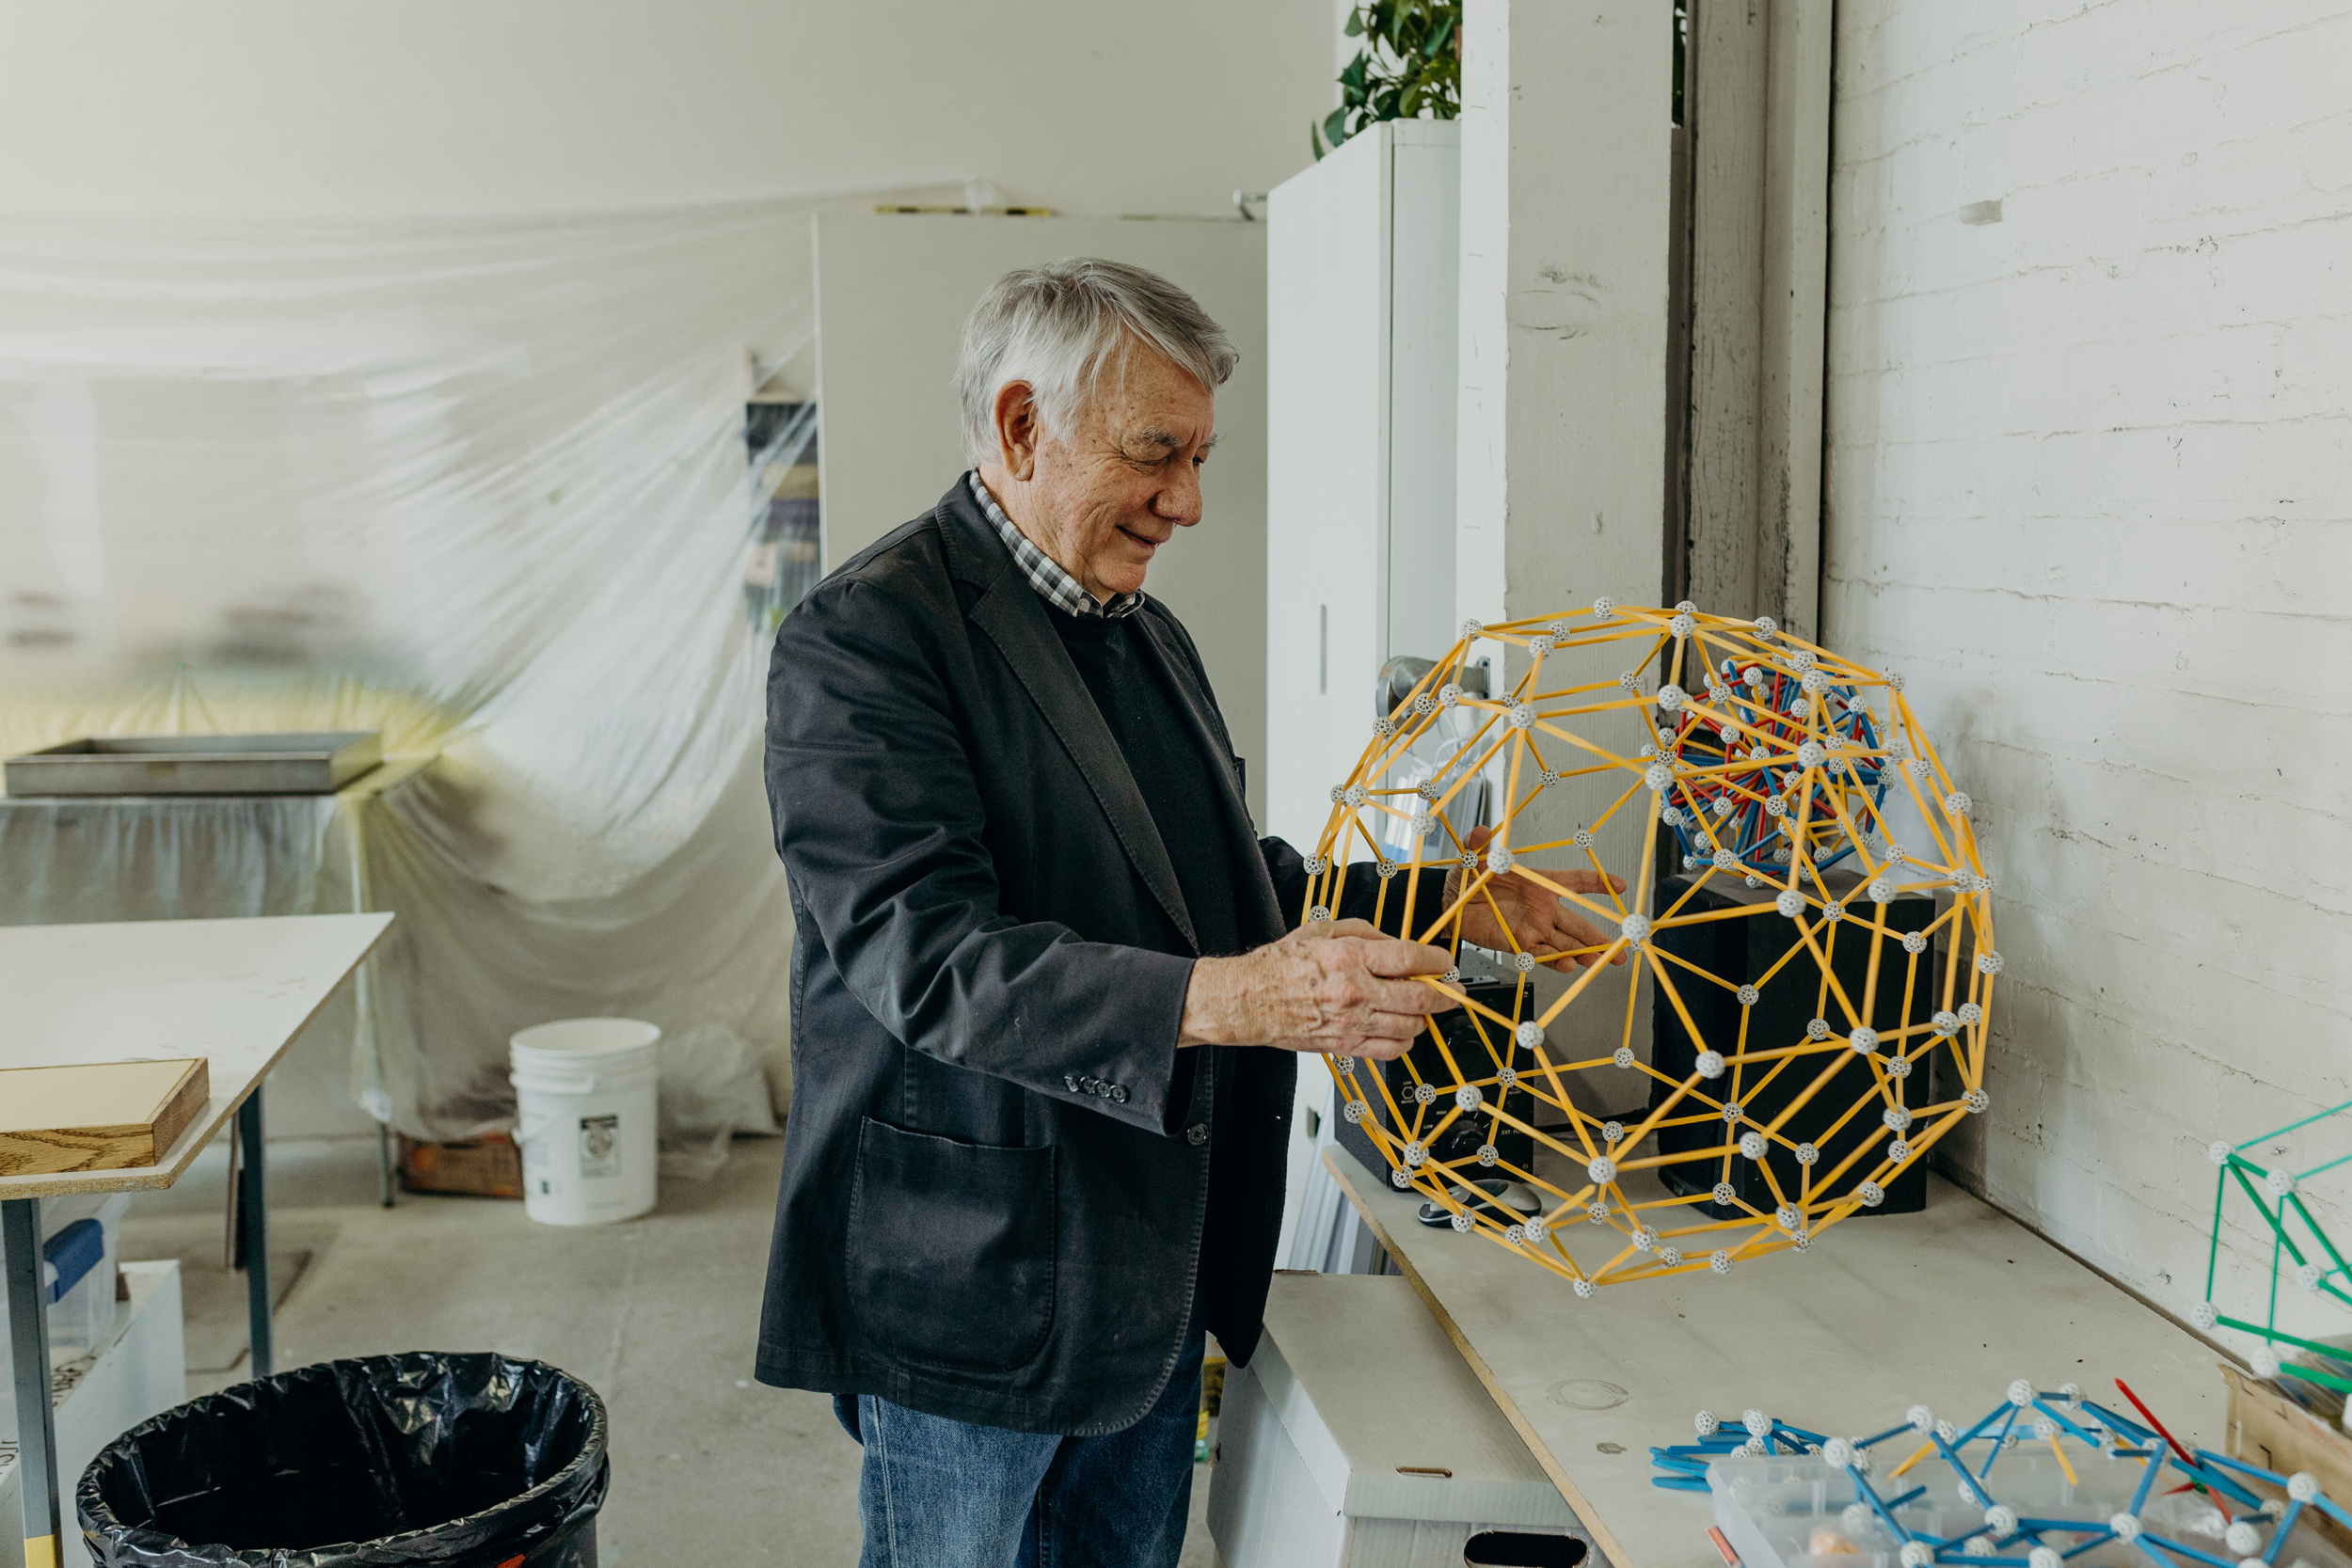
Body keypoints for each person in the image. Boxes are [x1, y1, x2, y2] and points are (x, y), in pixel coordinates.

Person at [756, 257, 1619, 1567]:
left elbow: (1228, 890)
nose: (1191, 502)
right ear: (1020, 427)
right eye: (1157, 453)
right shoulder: (869, 638)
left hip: (1151, 1263)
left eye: (1202, 454)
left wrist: (1466, 899)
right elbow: (922, 958)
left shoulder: (1140, 631)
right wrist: (1240, 999)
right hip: (976, 1280)